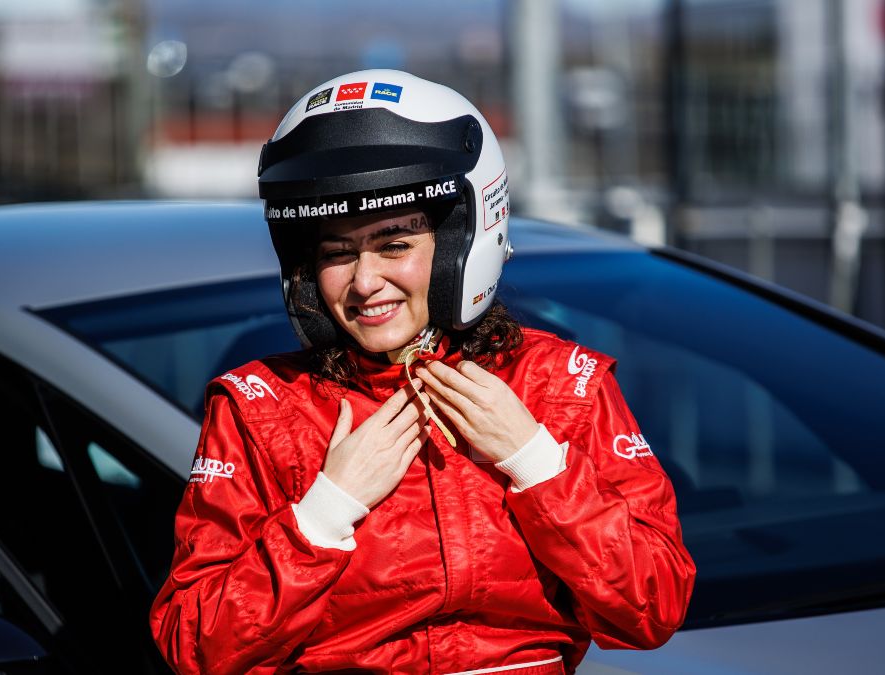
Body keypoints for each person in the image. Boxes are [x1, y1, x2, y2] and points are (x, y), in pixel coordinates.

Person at [149, 70, 695, 675]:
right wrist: (326, 511)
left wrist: (534, 462)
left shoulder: (561, 384)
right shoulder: (262, 408)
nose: (363, 282)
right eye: (336, 252)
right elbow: (194, 644)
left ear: (463, 240)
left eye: (394, 244)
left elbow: (653, 607)